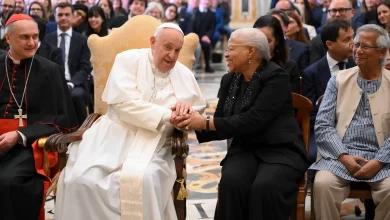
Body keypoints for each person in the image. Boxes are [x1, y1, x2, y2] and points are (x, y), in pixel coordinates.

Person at [54, 23, 206, 220]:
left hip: (154, 143)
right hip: (113, 137)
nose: (172, 56)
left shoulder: (183, 73)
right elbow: (123, 105)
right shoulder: (127, 60)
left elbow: (196, 107)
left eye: (177, 50)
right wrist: (169, 115)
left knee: (143, 180)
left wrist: (187, 111)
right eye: (167, 47)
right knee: (79, 179)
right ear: (153, 42)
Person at [174, 28, 308, 220]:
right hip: (245, 149)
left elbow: (253, 120)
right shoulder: (230, 79)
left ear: (251, 52)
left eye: (231, 48)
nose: (226, 54)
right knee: (232, 183)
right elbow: (221, 119)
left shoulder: (276, 76)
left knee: (265, 187)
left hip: (280, 150)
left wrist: (204, 123)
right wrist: (191, 120)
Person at [0, 14, 77, 220]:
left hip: (29, 144)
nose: (32, 42)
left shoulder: (50, 70)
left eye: (35, 36)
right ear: (8, 39)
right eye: (25, 37)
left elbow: (62, 120)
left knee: (7, 181)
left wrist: (19, 135)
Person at [309, 24, 390, 220]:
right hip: (340, 156)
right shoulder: (338, 80)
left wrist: (379, 161)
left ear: (382, 52)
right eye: (355, 45)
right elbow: (323, 125)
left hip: (383, 160)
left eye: (364, 46)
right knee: (323, 184)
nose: (357, 50)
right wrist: (344, 157)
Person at [302, 19, 355, 163]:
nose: (353, 43)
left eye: (353, 37)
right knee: (313, 156)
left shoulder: (358, 66)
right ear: (330, 44)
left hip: (356, 128)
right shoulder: (311, 73)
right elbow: (311, 113)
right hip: (324, 129)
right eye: (347, 39)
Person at [253, 15, 300, 94]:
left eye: (268, 41)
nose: (261, 45)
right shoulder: (247, 64)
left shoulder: (289, 67)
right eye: (257, 40)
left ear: (277, 41)